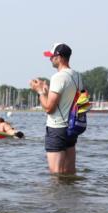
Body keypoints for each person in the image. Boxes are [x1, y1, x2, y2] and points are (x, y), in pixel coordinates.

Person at [30, 43, 83, 174]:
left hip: (57, 129)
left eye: (51, 56)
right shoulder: (77, 76)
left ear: (58, 57)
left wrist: (40, 92)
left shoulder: (58, 77)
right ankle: (69, 195)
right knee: (69, 172)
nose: (50, 59)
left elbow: (49, 109)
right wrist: (47, 92)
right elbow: (70, 101)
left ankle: (58, 195)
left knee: (56, 174)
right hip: (72, 128)